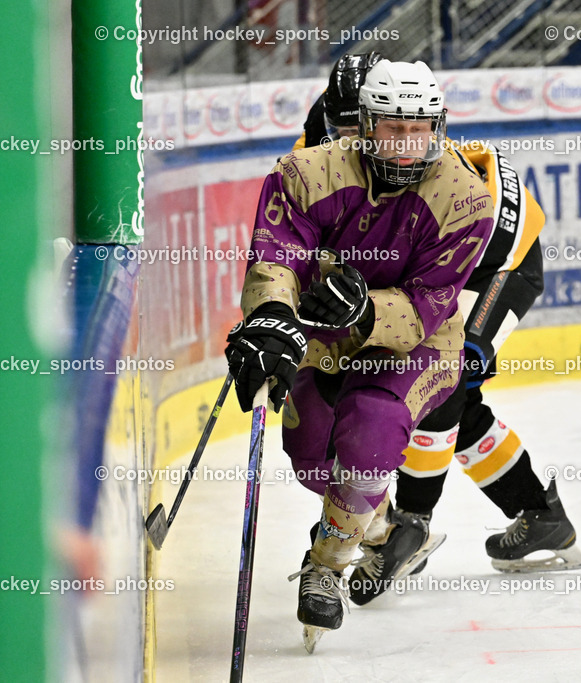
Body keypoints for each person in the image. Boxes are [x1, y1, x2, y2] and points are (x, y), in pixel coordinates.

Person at [296, 54, 581, 606]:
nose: (351, 141)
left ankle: (411, 523)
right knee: (409, 382)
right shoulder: (318, 145)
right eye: (340, 128)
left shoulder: (418, 157)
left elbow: (444, 266)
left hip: (492, 261)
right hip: (424, 262)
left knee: (446, 373)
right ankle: (538, 514)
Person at [225, 59, 494, 642]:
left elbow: (427, 303)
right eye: (395, 128)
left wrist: (367, 310)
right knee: (312, 458)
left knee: (371, 427)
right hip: (324, 334)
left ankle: (325, 567)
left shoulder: (465, 197)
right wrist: (271, 318)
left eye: (420, 128)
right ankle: (381, 526)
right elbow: (277, 257)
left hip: (419, 343)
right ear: (367, 126)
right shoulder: (304, 173)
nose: (409, 142)